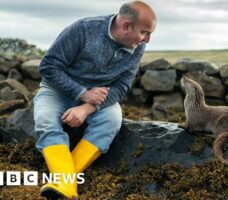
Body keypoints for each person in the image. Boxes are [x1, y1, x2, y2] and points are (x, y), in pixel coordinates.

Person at [33, 1, 156, 198]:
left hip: (97, 100)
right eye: (144, 32)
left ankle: (63, 184)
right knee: (45, 120)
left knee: (112, 121)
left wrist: (86, 108)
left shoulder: (137, 45)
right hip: (55, 91)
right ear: (126, 26)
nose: (147, 39)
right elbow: (48, 67)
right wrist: (82, 93)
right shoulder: (82, 29)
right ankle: (67, 185)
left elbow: (122, 87)